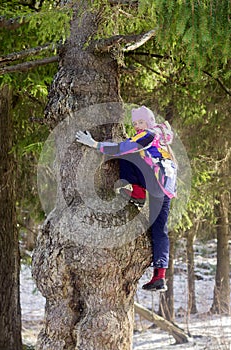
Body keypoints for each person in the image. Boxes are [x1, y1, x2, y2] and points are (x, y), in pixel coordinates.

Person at [75, 106, 177, 292]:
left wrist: (94, 144)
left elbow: (123, 147)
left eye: (141, 122)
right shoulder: (161, 135)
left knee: (126, 153)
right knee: (159, 229)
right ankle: (160, 277)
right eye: (136, 123)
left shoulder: (148, 134)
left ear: (150, 121)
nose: (138, 126)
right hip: (166, 186)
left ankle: (137, 194)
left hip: (156, 181)